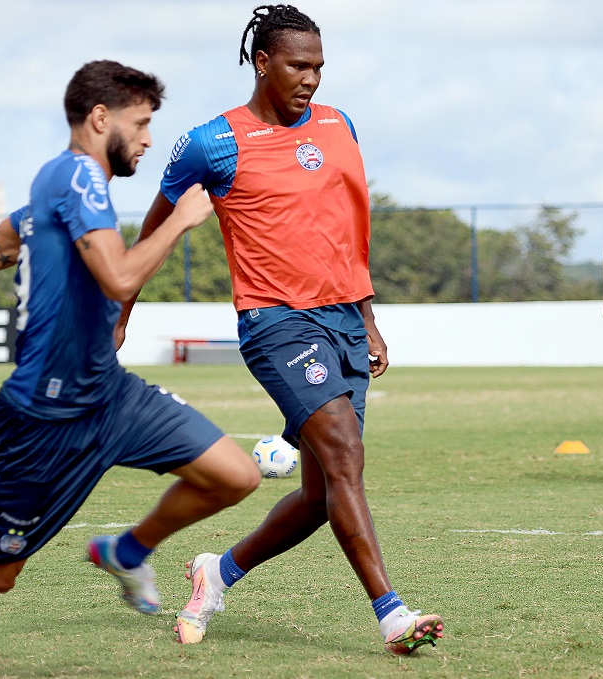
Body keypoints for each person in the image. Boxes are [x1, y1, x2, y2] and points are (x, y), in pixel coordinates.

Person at [0, 60, 259, 678]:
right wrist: (182, 221)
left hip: (110, 397)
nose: (149, 139)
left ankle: (127, 551)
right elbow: (120, 275)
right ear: (99, 118)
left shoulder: (55, 200)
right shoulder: (77, 173)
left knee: (235, 476)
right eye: (141, 123)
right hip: (43, 419)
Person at [117, 5, 443, 655]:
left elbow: (348, 230)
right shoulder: (212, 141)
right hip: (275, 324)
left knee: (322, 495)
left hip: (344, 320)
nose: (312, 78)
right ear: (262, 63)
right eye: (298, 64)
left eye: (319, 66)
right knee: (346, 453)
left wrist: (368, 317)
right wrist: (121, 310)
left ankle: (218, 571)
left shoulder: (338, 125)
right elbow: (156, 225)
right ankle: (391, 612)